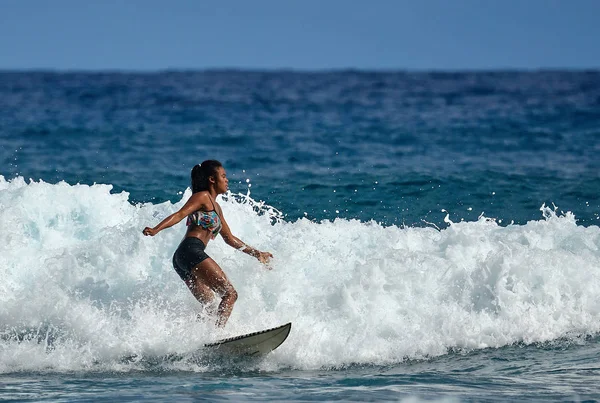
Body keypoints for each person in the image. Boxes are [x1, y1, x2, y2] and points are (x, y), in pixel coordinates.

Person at [142, 160, 273, 327]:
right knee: (230, 294)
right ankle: (218, 336)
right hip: (191, 250)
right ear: (212, 179)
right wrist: (156, 229)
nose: (227, 180)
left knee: (210, 307)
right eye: (223, 176)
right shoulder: (202, 197)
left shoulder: (217, 208)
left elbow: (229, 238)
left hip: (182, 258)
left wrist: (257, 253)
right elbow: (180, 214)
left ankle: (198, 339)